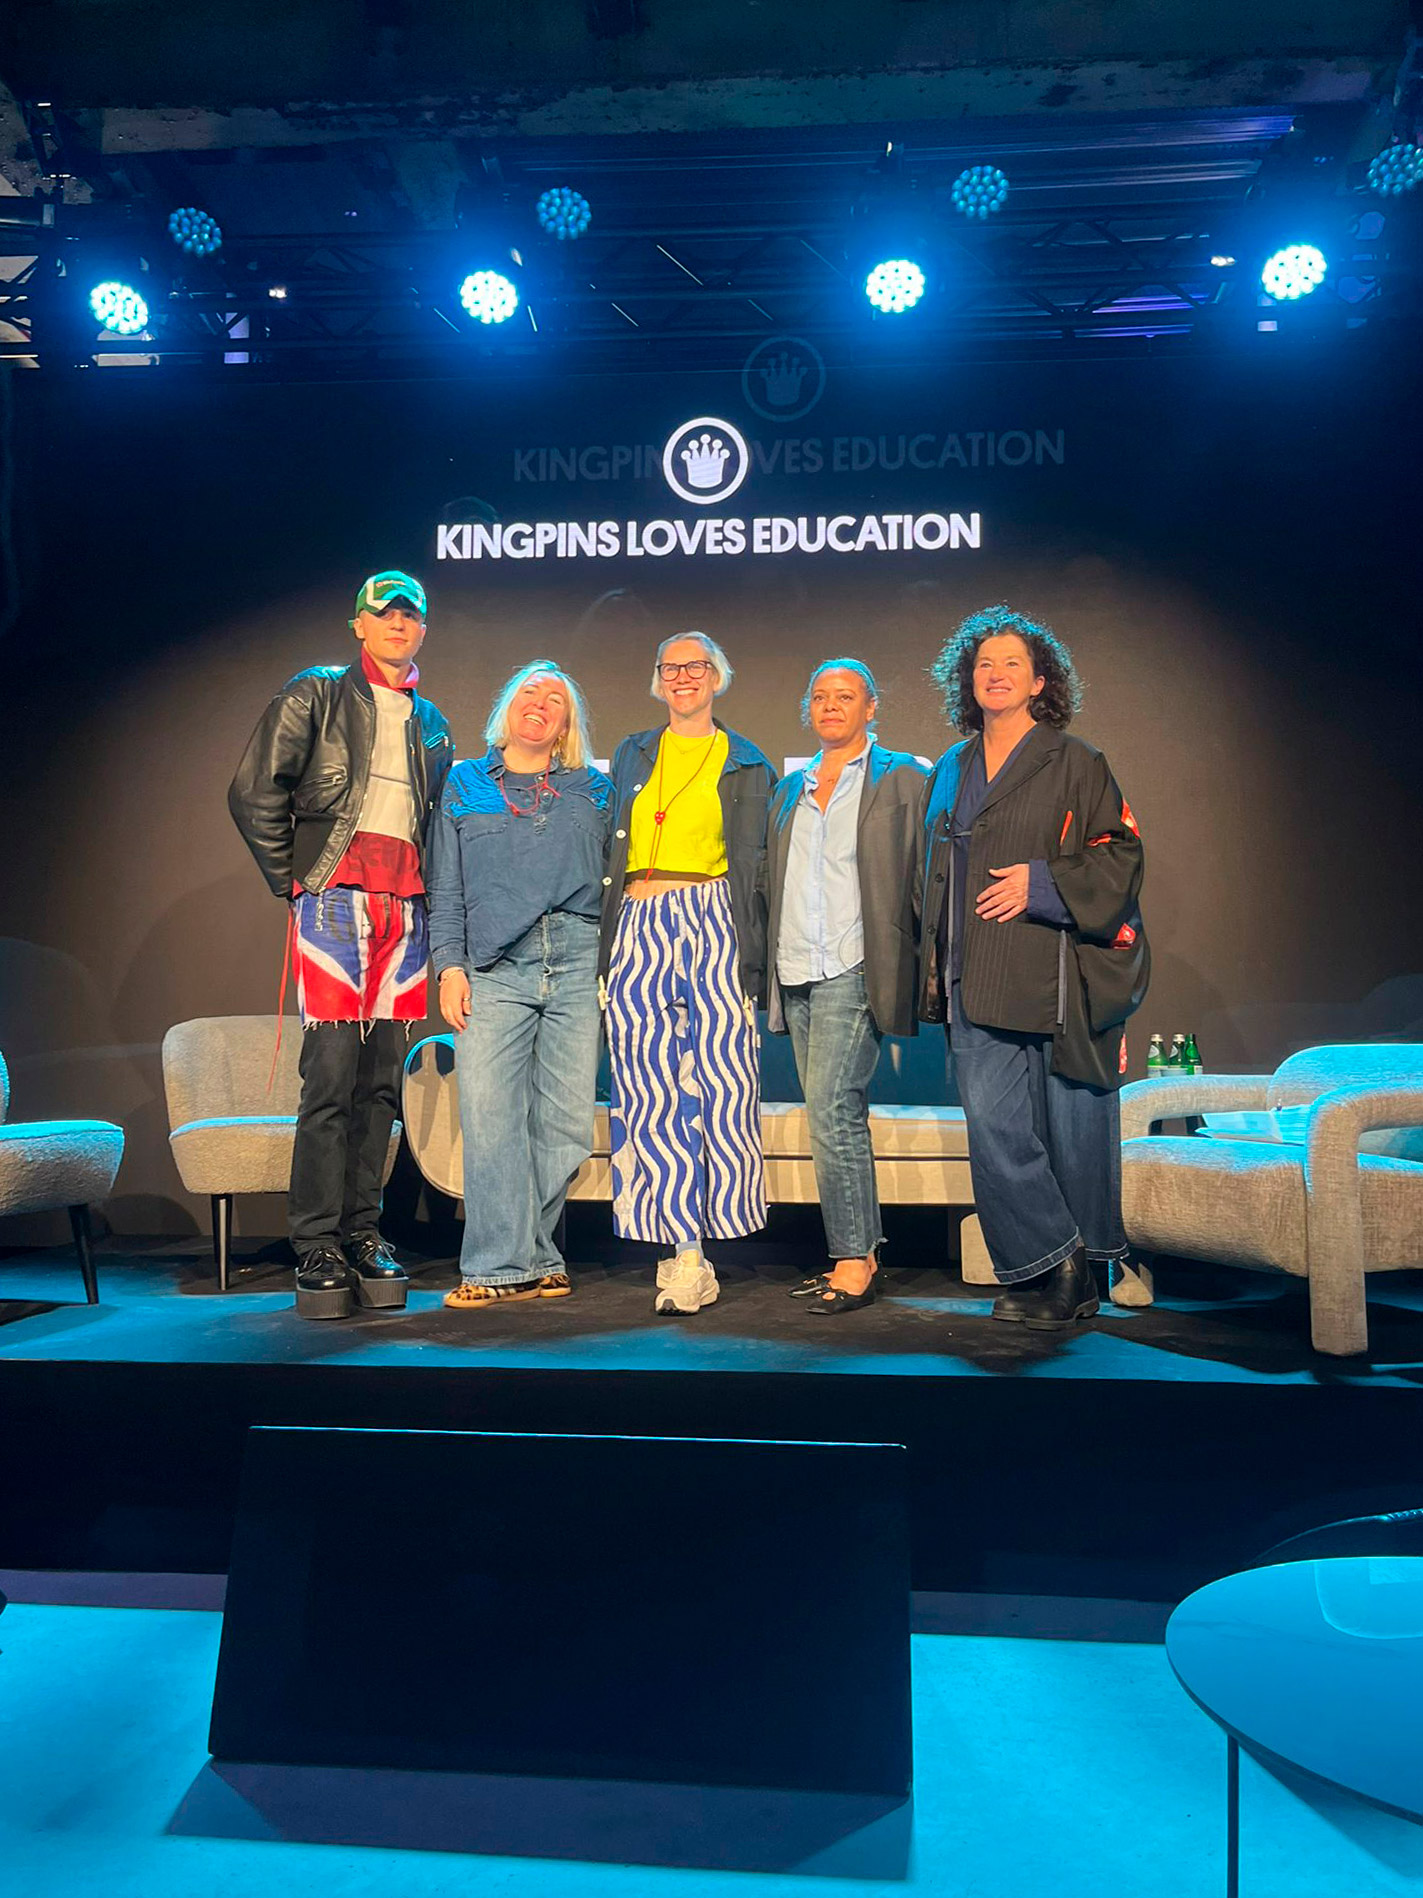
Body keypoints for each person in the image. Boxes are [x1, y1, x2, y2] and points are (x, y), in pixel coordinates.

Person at [229, 571, 453, 1319]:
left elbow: (435, 824)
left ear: (423, 629)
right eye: (383, 612)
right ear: (359, 624)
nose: (397, 623)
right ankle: (316, 1241)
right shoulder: (316, 693)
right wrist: (296, 884)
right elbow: (254, 790)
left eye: (410, 614)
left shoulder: (432, 723)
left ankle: (363, 1231)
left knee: (381, 1083)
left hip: (407, 912)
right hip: (333, 902)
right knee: (329, 1077)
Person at [919, 606, 1149, 1327]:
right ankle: (1058, 1262)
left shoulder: (1075, 760)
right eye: (983, 664)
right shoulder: (950, 767)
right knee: (993, 1128)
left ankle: (1066, 1276)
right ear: (968, 680)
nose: (995, 674)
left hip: (1047, 971)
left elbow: (1120, 854)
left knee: (1066, 1128)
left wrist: (1042, 884)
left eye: (1011, 663)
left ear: (1038, 681)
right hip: (970, 973)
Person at [600, 631, 776, 1315]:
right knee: (646, 1086)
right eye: (670, 667)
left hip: (712, 917)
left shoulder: (748, 761)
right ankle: (679, 1251)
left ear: (717, 676)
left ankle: (702, 1250)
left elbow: (759, 865)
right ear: (656, 679)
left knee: (723, 1082)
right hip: (638, 920)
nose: (683, 677)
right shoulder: (633, 752)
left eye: (696, 666)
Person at [429, 663, 611, 1308]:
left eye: (556, 698)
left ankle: (535, 1255)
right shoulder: (464, 782)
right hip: (493, 963)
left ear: (566, 725)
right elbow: (445, 885)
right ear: (507, 708)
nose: (541, 703)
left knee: (564, 1123)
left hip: (578, 957)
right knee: (490, 1118)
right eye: (529, 692)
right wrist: (449, 965)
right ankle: (495, 1265)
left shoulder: (595, 789)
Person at [765, 660, 929, 1313]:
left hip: (856, 962)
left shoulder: (901, 777)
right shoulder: (790, 789)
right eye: (820, 696)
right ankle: (856, 1251)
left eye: (845, 696)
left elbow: (923, 870)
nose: (831, 705)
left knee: (833, 1108)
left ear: (871, 707)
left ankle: (853, 1260)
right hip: (795, 965)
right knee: (830, 1112)